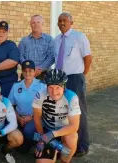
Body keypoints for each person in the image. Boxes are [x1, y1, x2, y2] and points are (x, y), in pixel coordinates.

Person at [54, 12, 92, 157]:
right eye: (59, 21)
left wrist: (82, 75)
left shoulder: (79, 37)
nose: (61, 23)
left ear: (71, 22)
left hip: (75, 78)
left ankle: (82, 145)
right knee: (61, 111)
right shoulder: (56, 40)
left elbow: (88, 58)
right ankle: (64, 144)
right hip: (59, 80)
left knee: (78, 111)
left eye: (64, 20)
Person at [33, 69, 81, 163]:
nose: (54, 92)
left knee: (71, 138)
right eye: (50, 87)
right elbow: (37, 118)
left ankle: (64, 160)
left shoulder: (72, 97)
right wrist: (42, 139)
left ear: (64, 86)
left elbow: (74, 126)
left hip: (64, 131)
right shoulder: (40, 94)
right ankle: (54, 150)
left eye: (57, 87)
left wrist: (52, 134)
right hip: (47, 129)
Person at [8, 60, 46, 153]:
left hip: (36, 117)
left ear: (34, 72)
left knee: (28, 131)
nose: (27, 73)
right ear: (22, 72)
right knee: (22, 150)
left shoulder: (42, 86)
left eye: (30, 71)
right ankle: (29, 141)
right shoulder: (16, 86)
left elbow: (46, 107)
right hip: (19, 118)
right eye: (25, 71)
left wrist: (32, 117)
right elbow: (10, 106)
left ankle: (39, 141)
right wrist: (19, 118)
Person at [18, 15, 55, 80]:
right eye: (33, 23)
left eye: (38, 22)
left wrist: (40, 69)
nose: (36, 24)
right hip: (27, 75)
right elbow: (20, 55)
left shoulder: (49, 39)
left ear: (42, 24)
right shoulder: (24, 41)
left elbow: (52, 56)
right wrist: (28, 67)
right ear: (30, 24)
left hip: (44, 75)